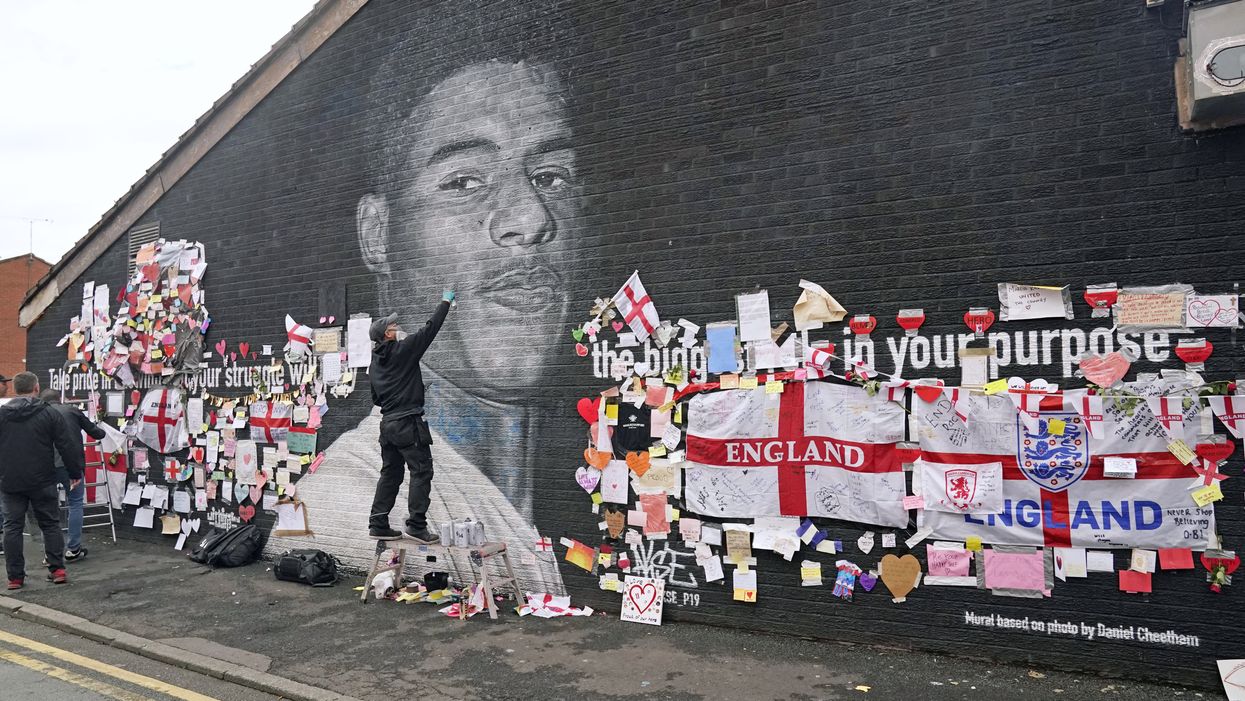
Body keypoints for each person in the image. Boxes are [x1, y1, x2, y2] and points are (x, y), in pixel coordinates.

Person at [271, 57, 578, 594]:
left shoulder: (586, 475)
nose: (530, 218)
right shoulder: (340, 504)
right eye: (464, 182)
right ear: (379, 234)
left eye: (552, 176)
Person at [366, 300, 453, 541]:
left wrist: (409, 389)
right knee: (421, 471)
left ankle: (378, 523)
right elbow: (430, 329)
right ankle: (416, 524)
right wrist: (446, 302)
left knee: (390, 474)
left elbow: (376, 398)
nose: (397, 327)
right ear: (387, 334)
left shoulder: (374, 364)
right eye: (394, 326)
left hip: (388, 425)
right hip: (408, 424)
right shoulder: (404, 349)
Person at [0, 373, 82, 588]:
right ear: (36, 388)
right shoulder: (48, 413)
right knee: (50, 524)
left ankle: (15, 577)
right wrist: (75, 472)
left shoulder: (2, 415)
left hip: (10, 481)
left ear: (15, 389)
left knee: (12, 527)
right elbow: (66, 444)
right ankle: (58, 570)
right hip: (43, 479)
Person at [40, 390, 105, 561]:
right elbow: (97, 433)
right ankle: (73, 548)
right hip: (71, 466)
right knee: (75, 503)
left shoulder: (38, 414)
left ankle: (49, 553)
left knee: (47, 508)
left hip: (44, 467)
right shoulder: (72, 411)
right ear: (60, 400)